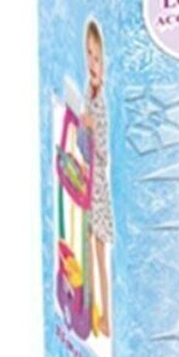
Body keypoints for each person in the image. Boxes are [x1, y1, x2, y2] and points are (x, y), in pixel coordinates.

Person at [80, 20, 114, 339]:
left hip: (100, 182)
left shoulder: (102, 99)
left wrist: (91, 127)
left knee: (101, 249)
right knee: (92, 242)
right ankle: (97, 307)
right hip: (91, 178)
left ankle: (109, 317)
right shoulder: (91, 92)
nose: (92, 63)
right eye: (89, 56)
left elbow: (104, 149)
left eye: (97, 57)